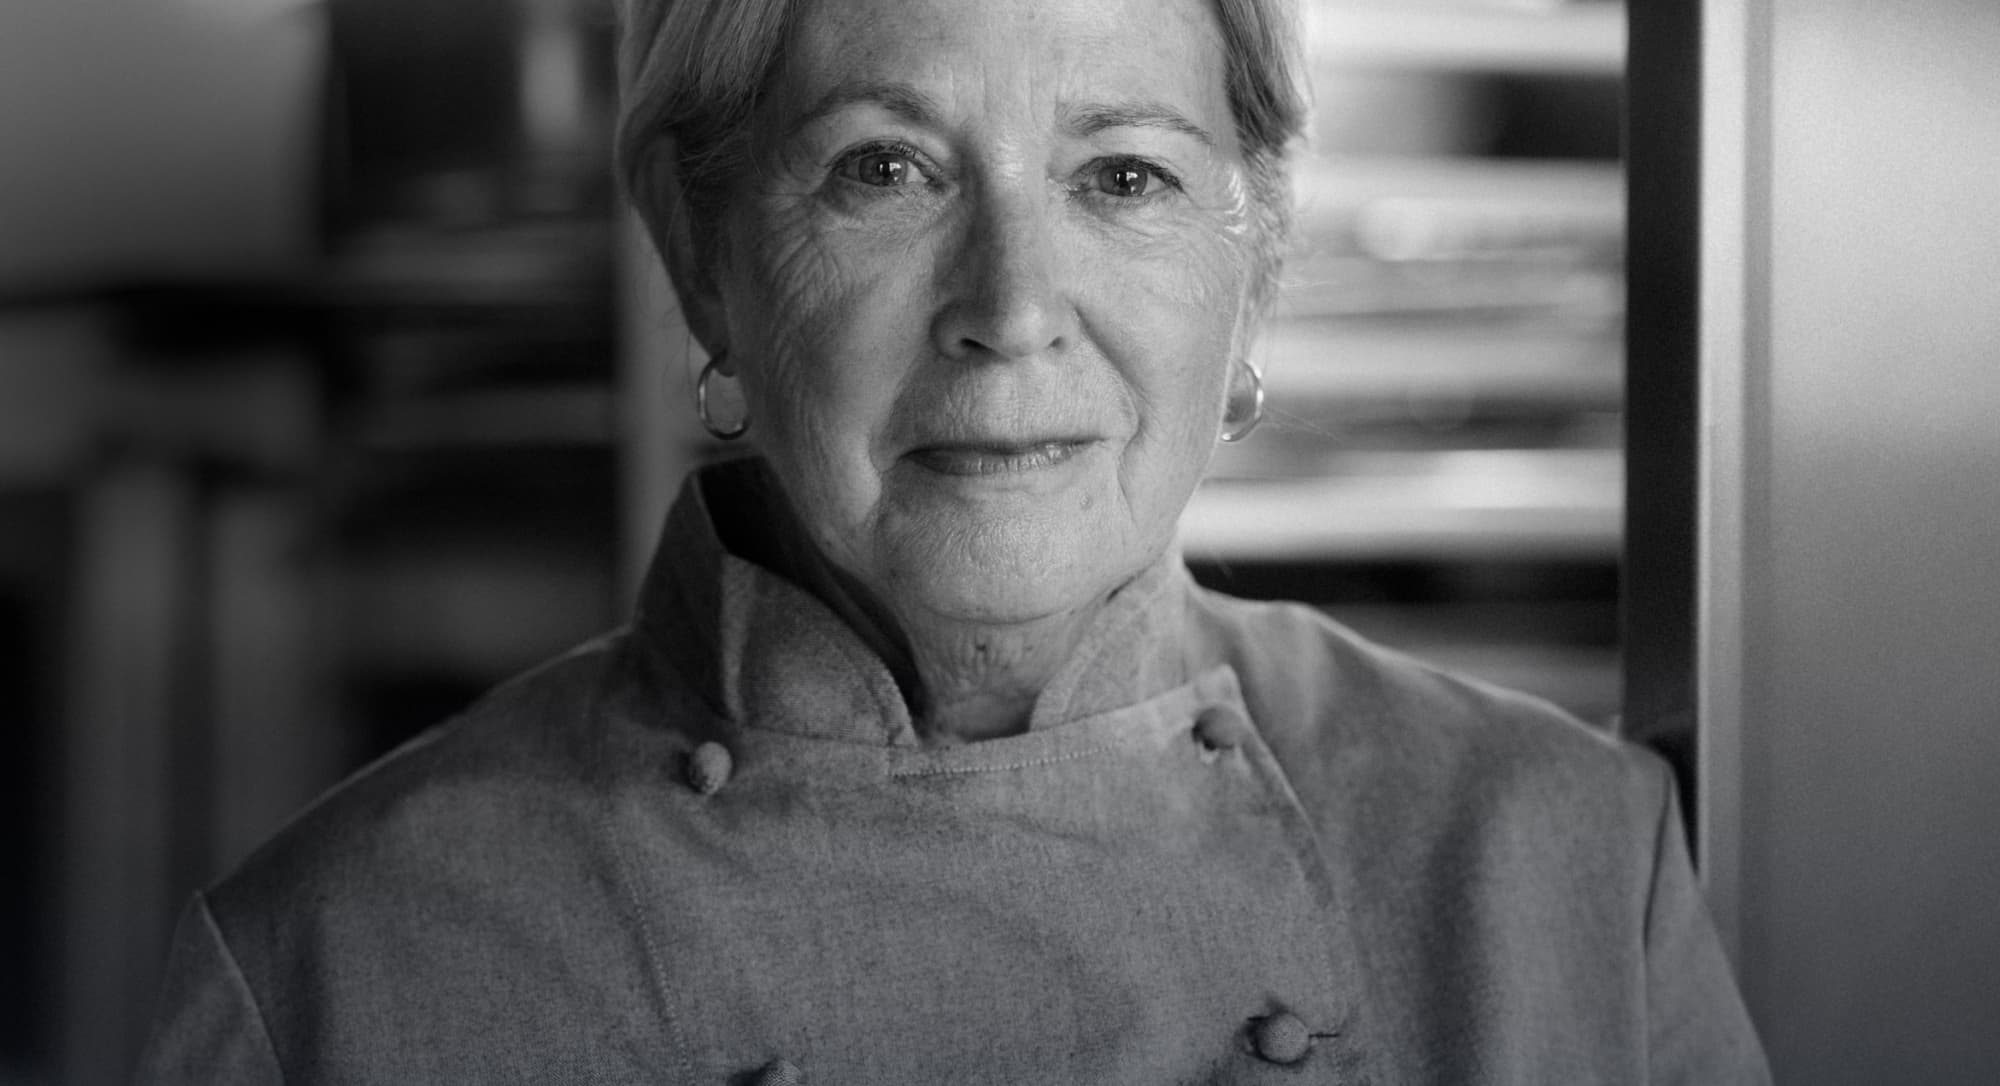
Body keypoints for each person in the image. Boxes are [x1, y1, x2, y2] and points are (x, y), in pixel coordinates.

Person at [137, 0, 1772, 1081]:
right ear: (704, 254)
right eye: (887, 169)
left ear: (1255, 262)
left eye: (1123, 174)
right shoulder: (336, 973)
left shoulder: (1564, 873)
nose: (1011, 311)